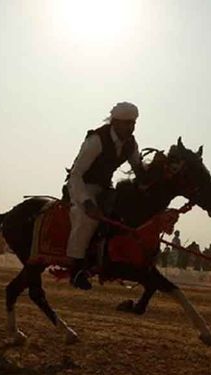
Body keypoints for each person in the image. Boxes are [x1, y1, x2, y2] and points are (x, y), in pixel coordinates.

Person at [65, 102, 144, 290]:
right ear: (115, 122)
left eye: (133, 123)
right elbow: (76, 174)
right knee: (88, 219)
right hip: (82, 185)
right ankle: (76, 269)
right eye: (127, 123)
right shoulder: (96, 140)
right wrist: (86, 202)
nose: (131, 127)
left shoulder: (131, 144)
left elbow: (139, 170)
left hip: (106, 189)